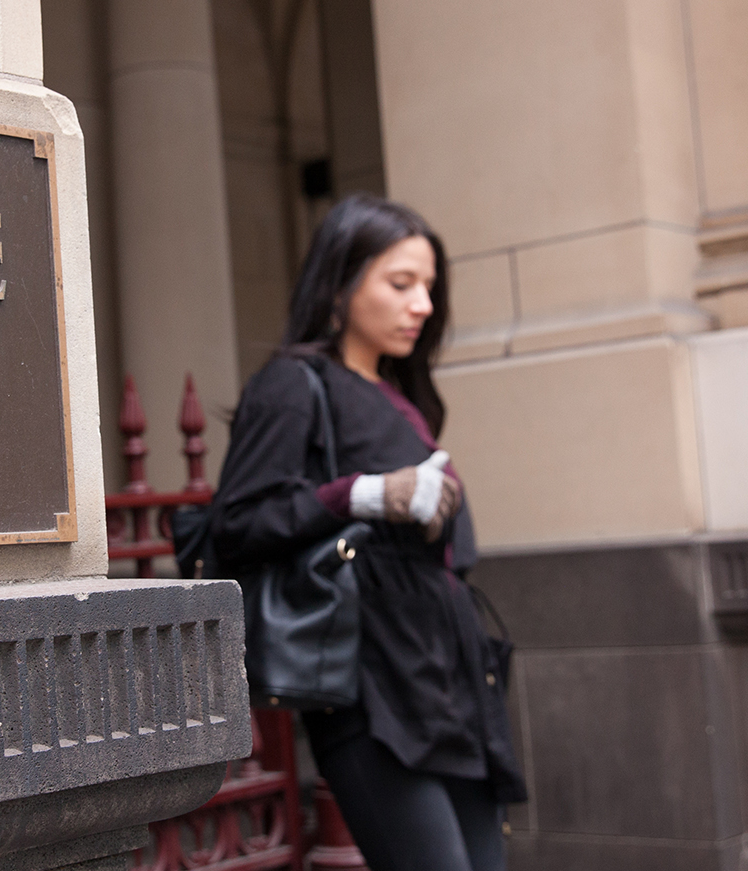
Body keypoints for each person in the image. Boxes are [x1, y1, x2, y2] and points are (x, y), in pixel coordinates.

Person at [211, 194, 526, 871]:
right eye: (401, 283)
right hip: (370, 682)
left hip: (448, 678)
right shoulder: (295, 383)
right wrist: (365, 494)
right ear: (342, 281)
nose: (423, 305)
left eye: (429, 288)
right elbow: (233, 524)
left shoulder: (402, 395)